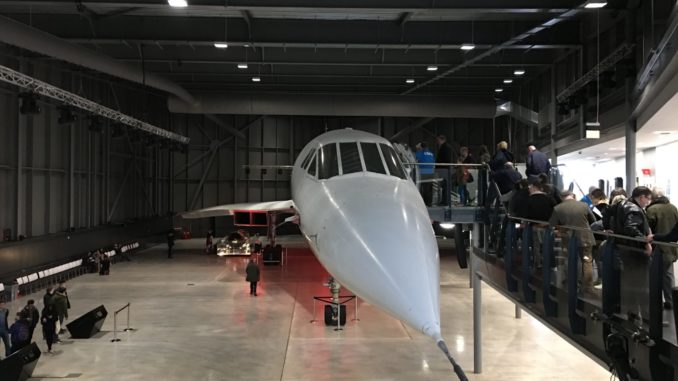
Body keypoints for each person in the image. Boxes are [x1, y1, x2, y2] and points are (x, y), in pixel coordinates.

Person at [549, 190, 597, 295]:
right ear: (572, 196)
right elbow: (593, 220)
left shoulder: (558, 208)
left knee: (569, 260)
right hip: (585, 237)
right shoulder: (584, 205)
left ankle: (571, 283)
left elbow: (552, 224)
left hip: (568, 238)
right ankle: (588, 287)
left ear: (562, 197)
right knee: (587, 261)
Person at [645, 187, 678, 310]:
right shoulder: (673, 208)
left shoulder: (651, 210)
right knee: (668, 275)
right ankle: (670, 300)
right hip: (671, 248)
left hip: (657, 247)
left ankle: (655, 303)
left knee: (654, 276)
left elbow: (647, 229)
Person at [435, 135, 454, 206]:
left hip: (443, 169)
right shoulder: (446, 147)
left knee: (445, 185)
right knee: (445, 186)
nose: (437, 142)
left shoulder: (444, 148)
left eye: (438, 140)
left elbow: (444, 159)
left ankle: (445, 201)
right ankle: (445, 200)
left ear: (442, 140)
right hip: (444, 168)